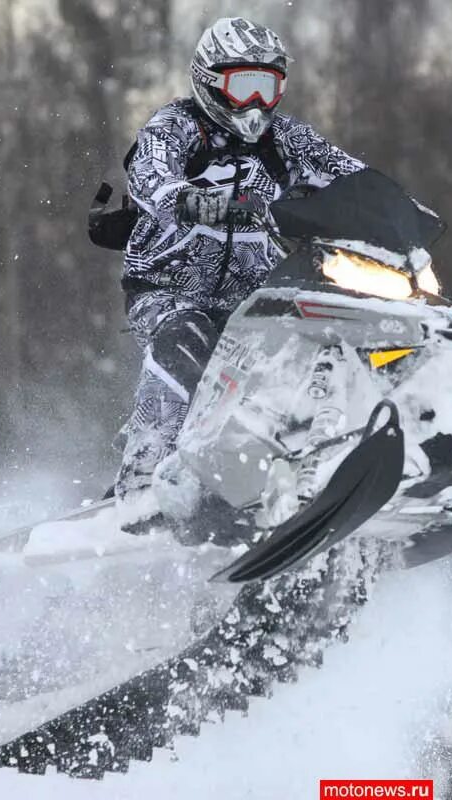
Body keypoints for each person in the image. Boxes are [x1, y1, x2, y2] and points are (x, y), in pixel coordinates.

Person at [116, 17, 365, 529]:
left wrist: (393, 209)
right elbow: (149, 171)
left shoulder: (286, 138)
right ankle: (141, 476)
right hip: (168, 286)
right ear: (210, 81)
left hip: (255, 294)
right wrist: (186, 198)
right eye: (242, 86)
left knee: (318, 348)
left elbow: (344, 173)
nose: (255, 104)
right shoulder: (177, 126)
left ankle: (299, 463)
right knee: (188, 342)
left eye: (267, 87)